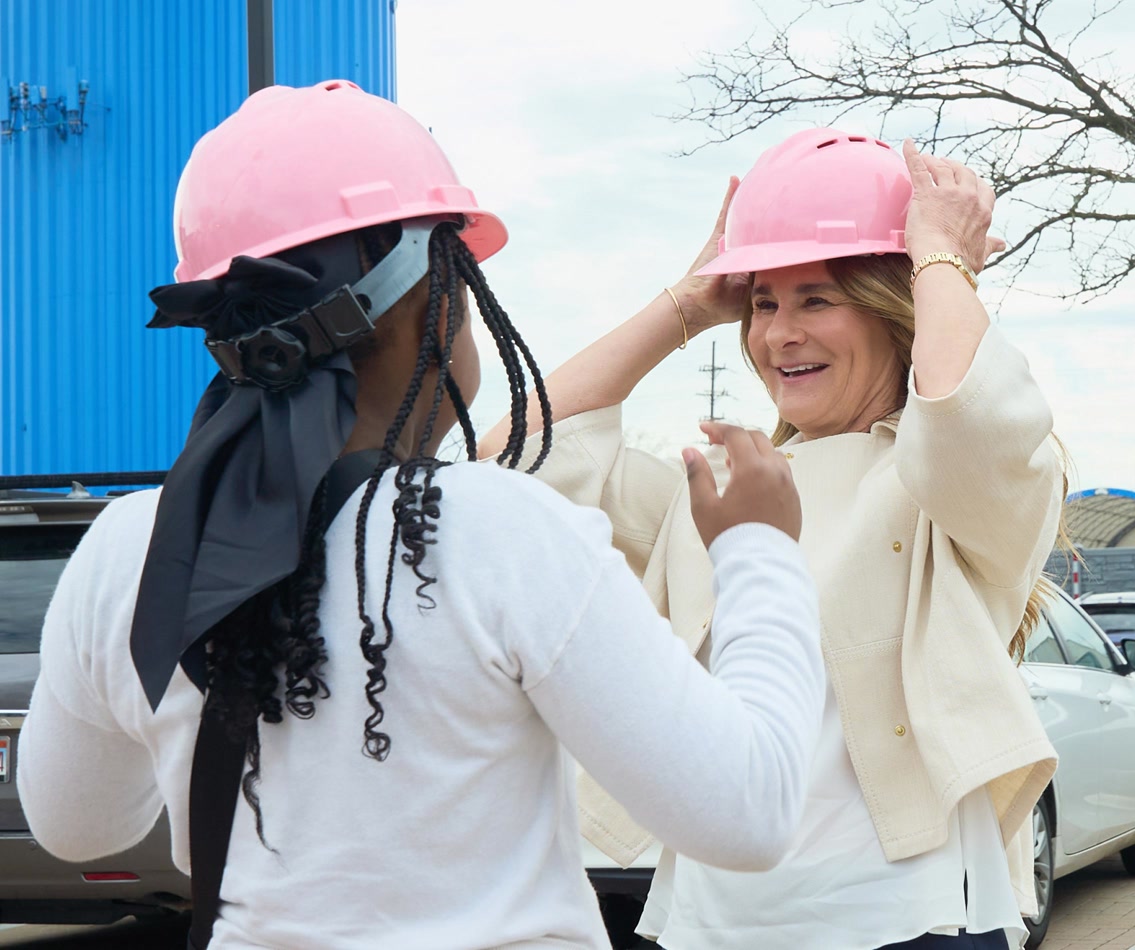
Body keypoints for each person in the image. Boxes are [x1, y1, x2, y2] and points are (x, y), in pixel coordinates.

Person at [15, 82, 828, 950]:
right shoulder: (498, 535)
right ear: (432, 299)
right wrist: (758, 551)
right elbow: (748, 812)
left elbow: (78, 826)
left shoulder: (132, 548)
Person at [480, 129, 1067, 949]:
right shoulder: (722, 487)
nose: (778, 333)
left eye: (817, 298)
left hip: (913, 924)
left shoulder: (948, 491)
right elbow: (513, 470)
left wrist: (939, 258)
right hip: (708, 925)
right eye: (763, 302)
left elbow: (969, 415)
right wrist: (689, 300)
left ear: (893, 308)